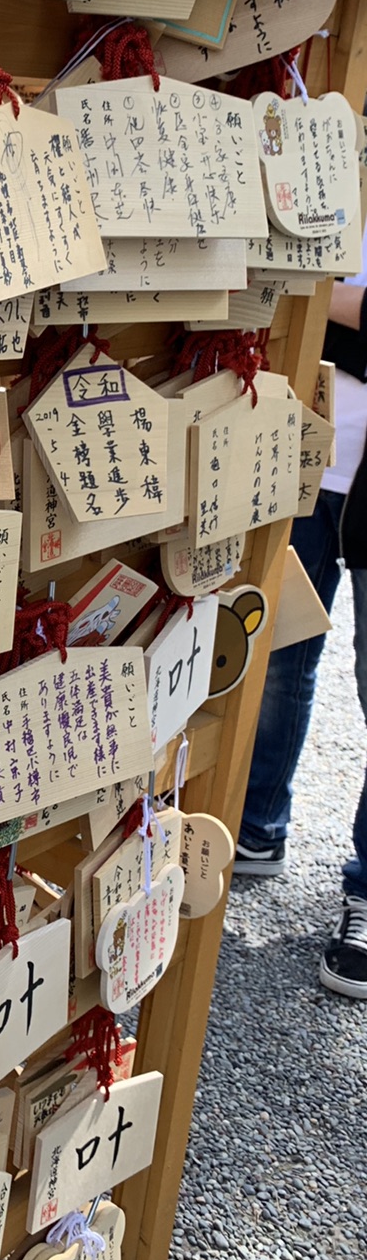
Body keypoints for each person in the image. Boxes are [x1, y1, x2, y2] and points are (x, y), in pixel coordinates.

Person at [237, 264, 367, 998]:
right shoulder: (340, 178)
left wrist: (329, 303)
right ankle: (257, 822)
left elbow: (300, 291)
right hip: (307, 455)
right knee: (282, 647)